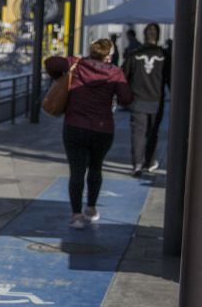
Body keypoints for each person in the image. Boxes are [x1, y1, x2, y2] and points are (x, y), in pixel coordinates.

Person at [60, 39, 132, 229]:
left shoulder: (77, 65)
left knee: (76, 171)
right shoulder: (115, 73)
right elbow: (126, 99)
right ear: (108, 55)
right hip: (102, 129)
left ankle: (76, 215)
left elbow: (50, 63)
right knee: (95, 168)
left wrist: (71, 63)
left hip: (74, 126)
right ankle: (90, 209)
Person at [122, 22, 170, 175]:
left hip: (137, 100)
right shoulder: (164, 56)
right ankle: (149, 162)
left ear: (144, 35)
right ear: (158, 36)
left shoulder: (134, 55)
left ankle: (137, 163)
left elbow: (123, 75)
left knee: (138, 132)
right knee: (153, 132)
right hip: (157, 100)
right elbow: (170, 79)